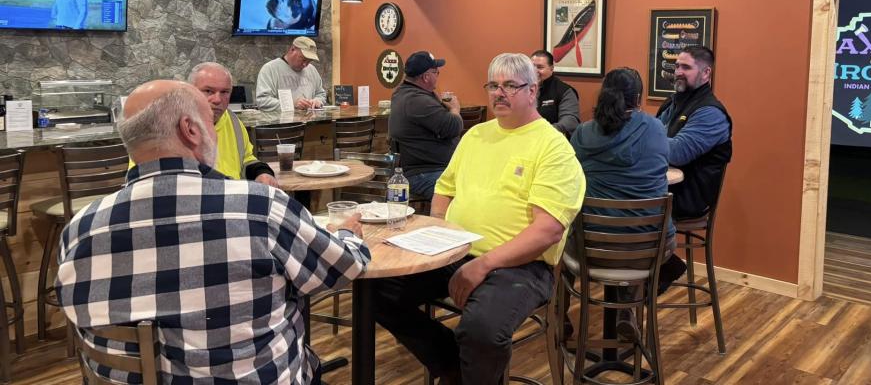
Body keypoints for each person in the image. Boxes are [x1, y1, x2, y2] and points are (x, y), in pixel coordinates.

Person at [56, 80, 370, 385]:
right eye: (209, 123)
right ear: (191, 131)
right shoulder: (259, 207)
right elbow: (346, 266)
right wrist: (346, 234)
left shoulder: (79, 229)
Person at [373, 53, 585, 385]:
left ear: (533, 91)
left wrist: (483, 265)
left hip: (521, 266)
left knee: (481, 330)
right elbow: (444, 188)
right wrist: (437, 235)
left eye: (511, 86)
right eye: (494, 85)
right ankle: (453, 366)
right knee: (375, 290)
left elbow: (547, 232)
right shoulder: (475, 136)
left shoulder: (553, 148)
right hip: (454, 251)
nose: (500, 93)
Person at [570, 67, 677, 339]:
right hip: (650, 248)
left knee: (558, 238)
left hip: (590, 248)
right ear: (638, 98)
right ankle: (628, 305)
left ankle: (559, 314)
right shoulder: (655, 128)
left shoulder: (582, 134)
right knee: (633, 240)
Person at [656, 45, 733, 286]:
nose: (678, 71)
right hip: (665, 190)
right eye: (677, 66)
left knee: (625, 207)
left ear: (706, 73)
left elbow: (677, 152)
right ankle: (631, 292)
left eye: (686, 67)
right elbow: (655, 138)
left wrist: (641, 141)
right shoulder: (673, 104)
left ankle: (653, 274)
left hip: (689, 197)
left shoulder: (711, 113)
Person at [188, 61, 280, 186]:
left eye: (225, 92)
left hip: (234, 198)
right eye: (208, 91)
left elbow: (246, 160)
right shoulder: (172, 126)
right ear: (189, 91)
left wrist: (262, 173)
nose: (217, 100)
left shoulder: (234, 122)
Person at [388, 50, 463, 200]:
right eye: (436, 72)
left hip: (429, 169)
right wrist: (455, 108)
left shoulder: (404, 94)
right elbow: (454, 126)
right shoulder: (417, 100)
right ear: (426, 77)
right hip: (424, 173)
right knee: (467, 194)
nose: (437, 76)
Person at [256, 37, 327, 111]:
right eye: (303, 59)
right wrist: (292, 104)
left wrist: (318, 101)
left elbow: (321, 94)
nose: (305, 64)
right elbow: (263, 101)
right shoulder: (270, 69)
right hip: (281, 121)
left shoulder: (312, 70)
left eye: (309, 61)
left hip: (309, 121)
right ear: (292, 49)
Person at [530, 50, 580, 137]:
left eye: (540, 67)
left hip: (551, 140)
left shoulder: (565, 91)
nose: (535, 71)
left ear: (551, 68)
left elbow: (570, 121)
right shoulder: (521, 88)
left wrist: (544, 132)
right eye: (532, 67)